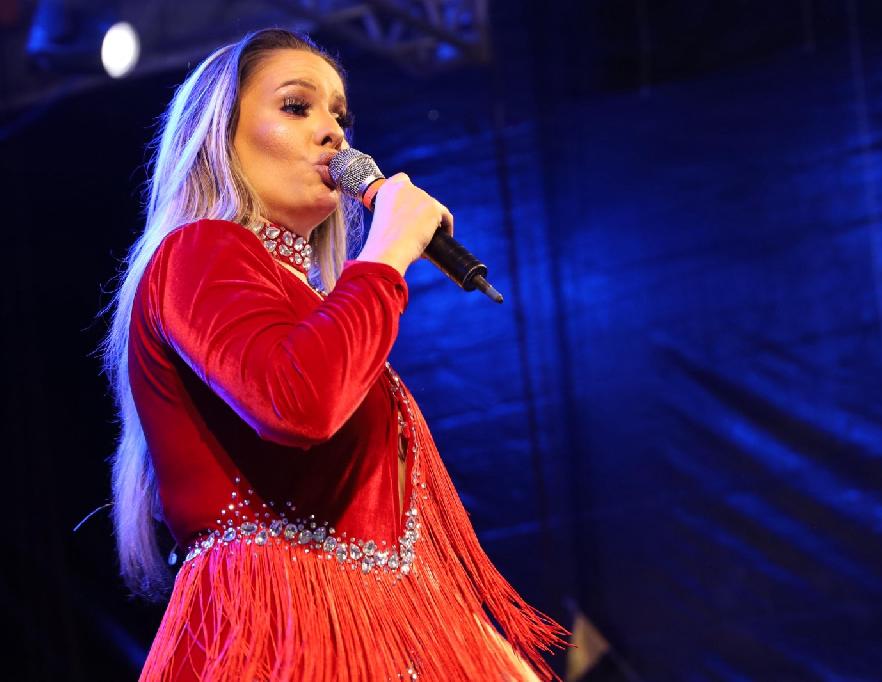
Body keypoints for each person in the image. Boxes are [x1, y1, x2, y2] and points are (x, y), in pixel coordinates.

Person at [101, 28, 570, 681]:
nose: (334, 134)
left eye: (340, 116)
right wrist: (386, 256)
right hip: (278, 630)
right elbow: (298, 402)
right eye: (297, 107)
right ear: (219, 137)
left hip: (371, 624)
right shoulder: (198, 251)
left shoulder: (315, 305)